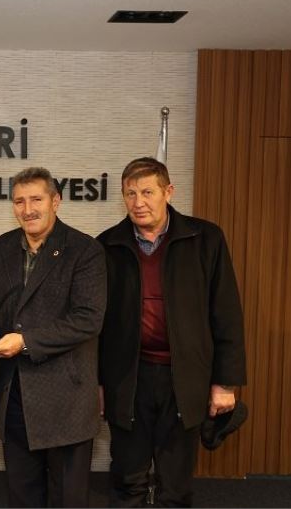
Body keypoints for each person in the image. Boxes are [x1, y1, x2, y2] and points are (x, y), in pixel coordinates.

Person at [97, 157, 246, 507]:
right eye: (130, 193)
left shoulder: (205, 239)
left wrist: (225, 383)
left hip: (186, 379)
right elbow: (98, 325)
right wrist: (98, 383)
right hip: (127, 379)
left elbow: (226, 314)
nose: (138, 202)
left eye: (147, 192)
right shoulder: (107, 245)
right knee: (127, 479)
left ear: (168, 192)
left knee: (175, 486)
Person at [0, 167, 107, 507]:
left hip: (65, 397)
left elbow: (88, 320)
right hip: (13, 394)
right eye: (19, 201)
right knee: (22, 495)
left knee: (68, 498)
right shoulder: (1, 247)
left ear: (56, 201)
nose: (28, 209)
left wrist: (24, 342)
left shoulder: (85, 250)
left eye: (36, 199)